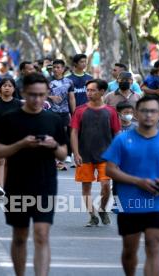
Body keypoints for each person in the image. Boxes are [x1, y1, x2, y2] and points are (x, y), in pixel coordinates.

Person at [0, 73, 68, 276]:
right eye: (33, 94)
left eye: (42, 95)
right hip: (17, 183)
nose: (37, 100)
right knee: (20, 235)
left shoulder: (53, 119)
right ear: (24, 92)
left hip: (45, 183)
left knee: (42, 234)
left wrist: (53, 146)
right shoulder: (9, 119)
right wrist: (21, 144)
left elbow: (63, 153)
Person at [102, 96, 159, 276]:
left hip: (158, 202)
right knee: (130, 250)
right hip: (130, 203)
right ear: (137, 114)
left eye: (153, 111)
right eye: (144, 111)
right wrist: (138, 181)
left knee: (153, 246)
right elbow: (110, 170)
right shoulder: (122, 140)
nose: (148, 115)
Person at [71, 79, 121, 227]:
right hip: (84, 155)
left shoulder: (110, 111)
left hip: (106, 156)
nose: (89, 93)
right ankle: (92, 215)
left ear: (102, 92)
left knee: (106, 186)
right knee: (86, 188)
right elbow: (74, 132)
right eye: (87, 90)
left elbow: (117, 133)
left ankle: (102, 209)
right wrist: (76, 153)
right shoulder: (80, 110)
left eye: (92, 90)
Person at [48, 59, 74, 170]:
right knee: (51, 135)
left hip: (64, 112)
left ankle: (59, 161)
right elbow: (39, 94)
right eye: (54, 67)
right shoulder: (47, 81)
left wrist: (74, 113)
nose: (55, 69)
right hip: (50, 112)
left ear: (63, 69)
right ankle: (52, 160)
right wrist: (51, 97)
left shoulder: (69, 82)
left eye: (58, 67)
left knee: (61, 136)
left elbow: (71, 98)